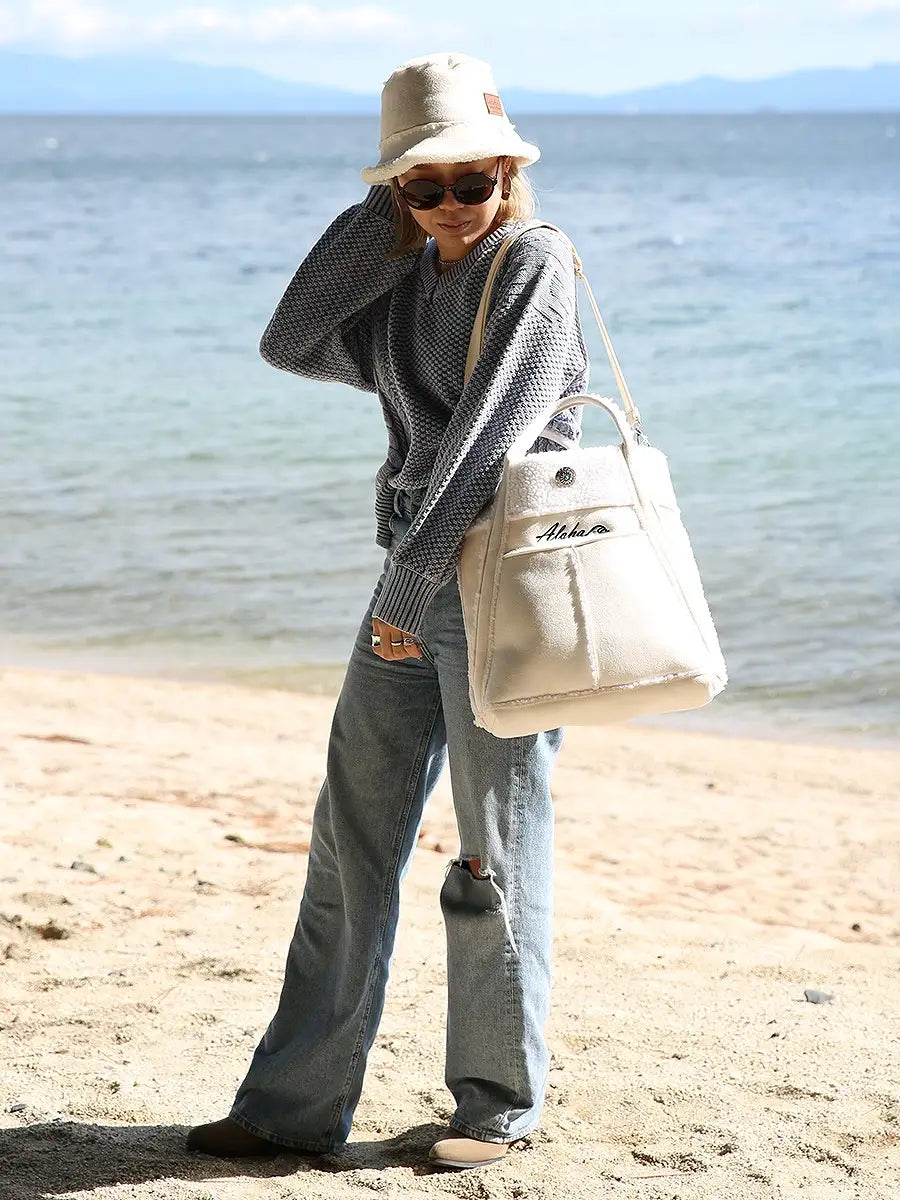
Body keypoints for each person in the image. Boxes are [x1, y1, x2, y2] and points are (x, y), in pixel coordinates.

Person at [187, 50, 591, 1173]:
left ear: (510, 173)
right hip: (411, 579)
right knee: (349, 844)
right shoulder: (410, 277)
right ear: (398, 193)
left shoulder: (534, 260)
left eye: (474, 179)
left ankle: (495, 1108)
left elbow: (494, 437)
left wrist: (409, 594)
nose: (455, 203)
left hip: (498, 585)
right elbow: (291, 341)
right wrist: (386, 217)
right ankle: (292, 1109)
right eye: (425, 185)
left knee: (496, 847)